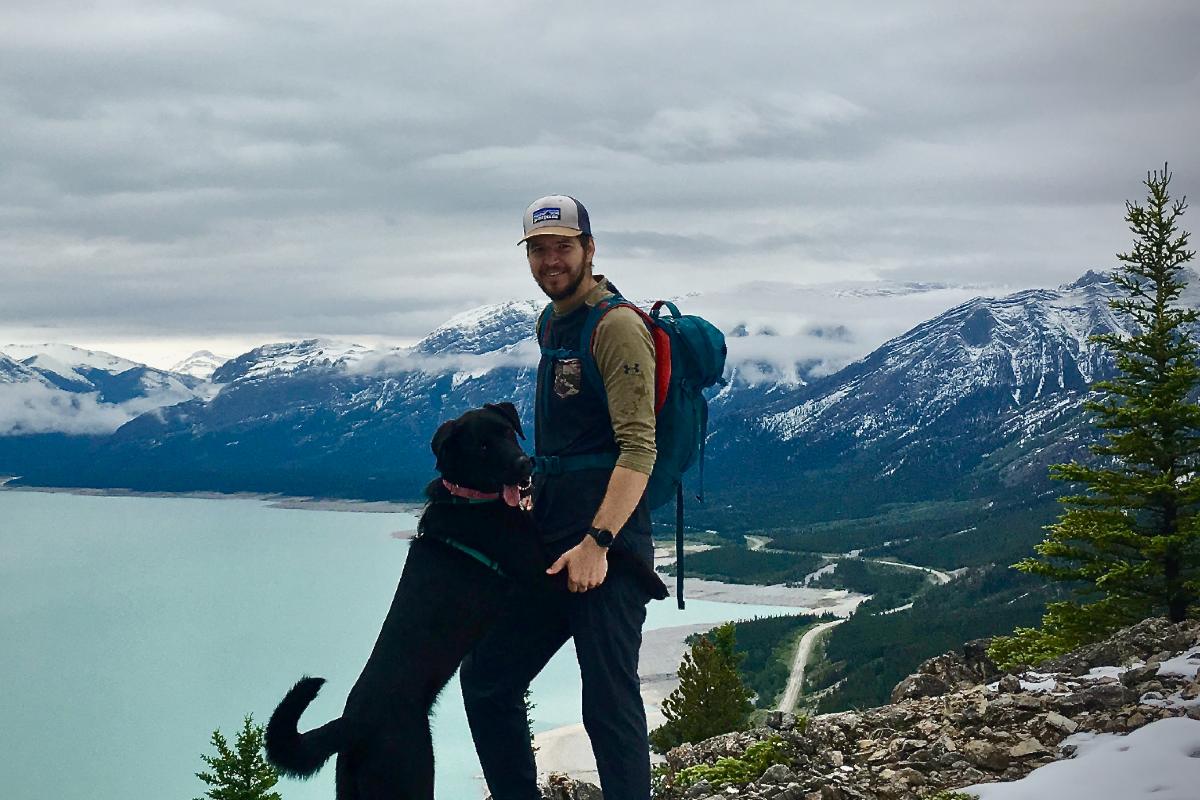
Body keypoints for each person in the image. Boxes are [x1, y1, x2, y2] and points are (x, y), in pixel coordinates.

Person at [460, 194, 658, 800]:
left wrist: (598, 543)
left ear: (590, 250)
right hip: (550, 539)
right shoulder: (553, 323)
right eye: (539, 250)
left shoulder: (617, 327)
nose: (551, 261)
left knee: (607, 701)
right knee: (489, 677)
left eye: (563, 248)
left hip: (607, 550)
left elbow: (638, 449)